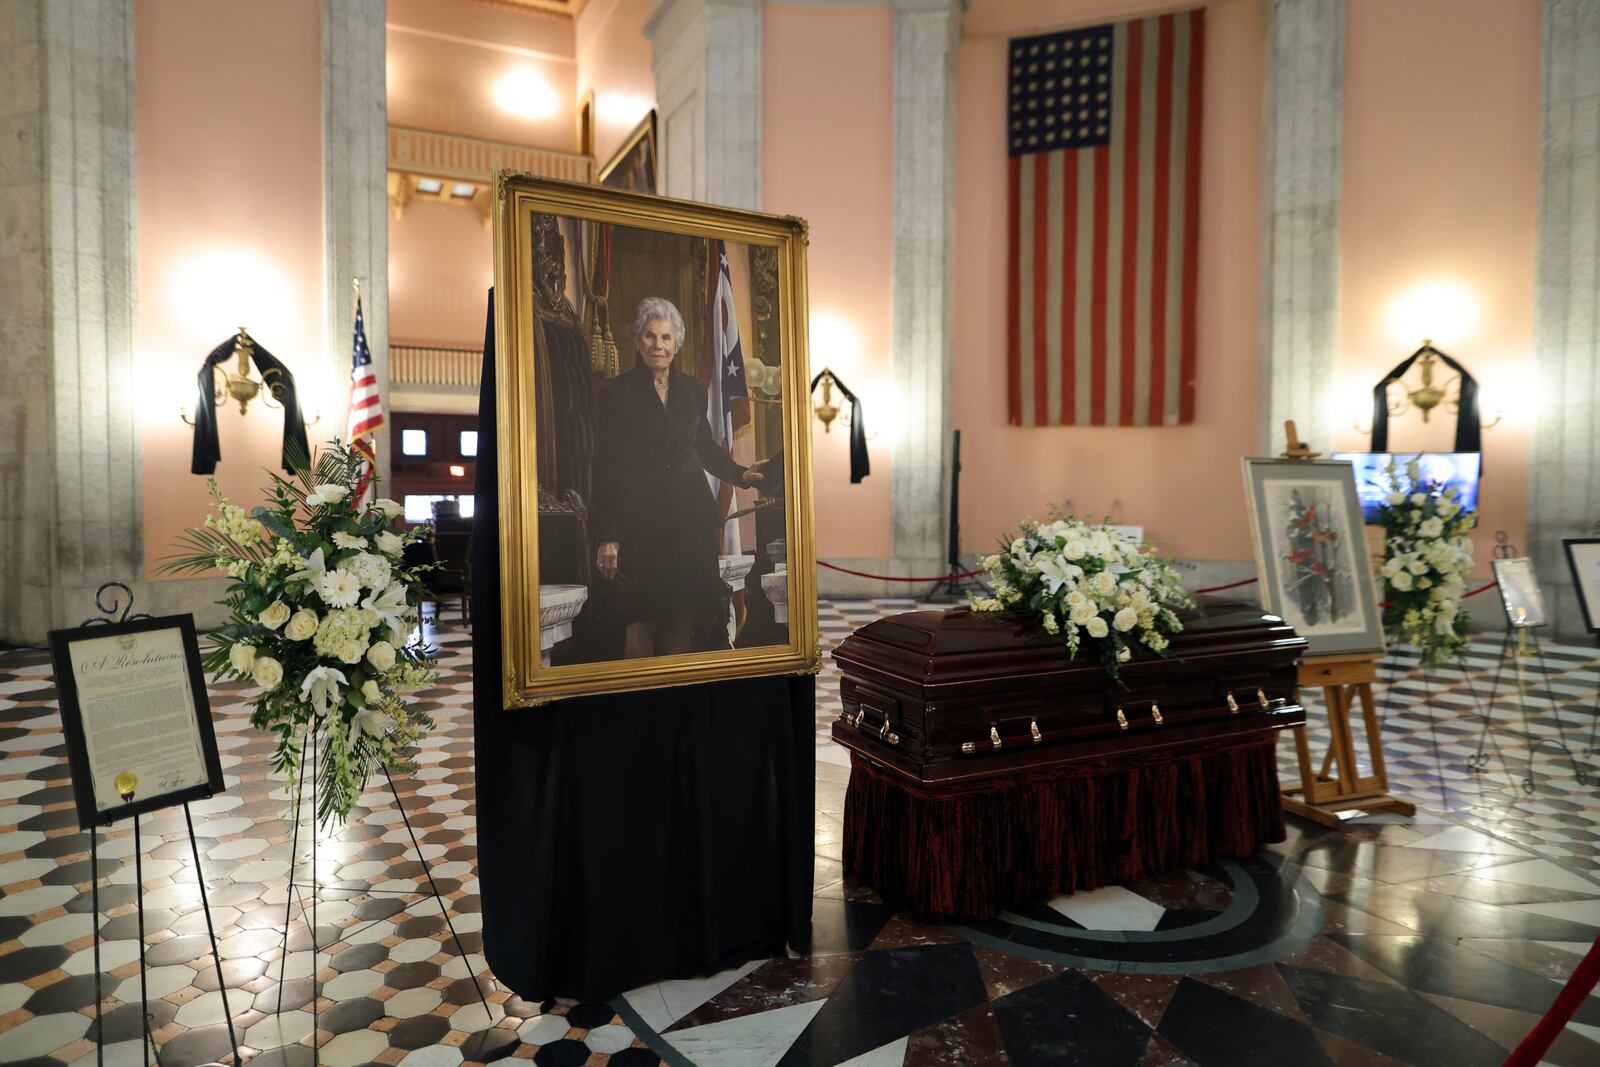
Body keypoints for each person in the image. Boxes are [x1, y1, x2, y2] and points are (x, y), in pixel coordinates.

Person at [590, 296, 769, 659]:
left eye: (666, 338)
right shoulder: (616, 394)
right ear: (638, 341)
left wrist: (742, 475)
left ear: (676, 344)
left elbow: (704, 447)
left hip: (689, 523)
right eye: (650, 336)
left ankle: (673, 700)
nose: (658, 345)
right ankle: (640, 705)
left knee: (680, 617)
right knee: (640, 619)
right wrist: (607, 534)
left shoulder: (692, 391)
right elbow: (605, 467)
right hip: (639, 527)